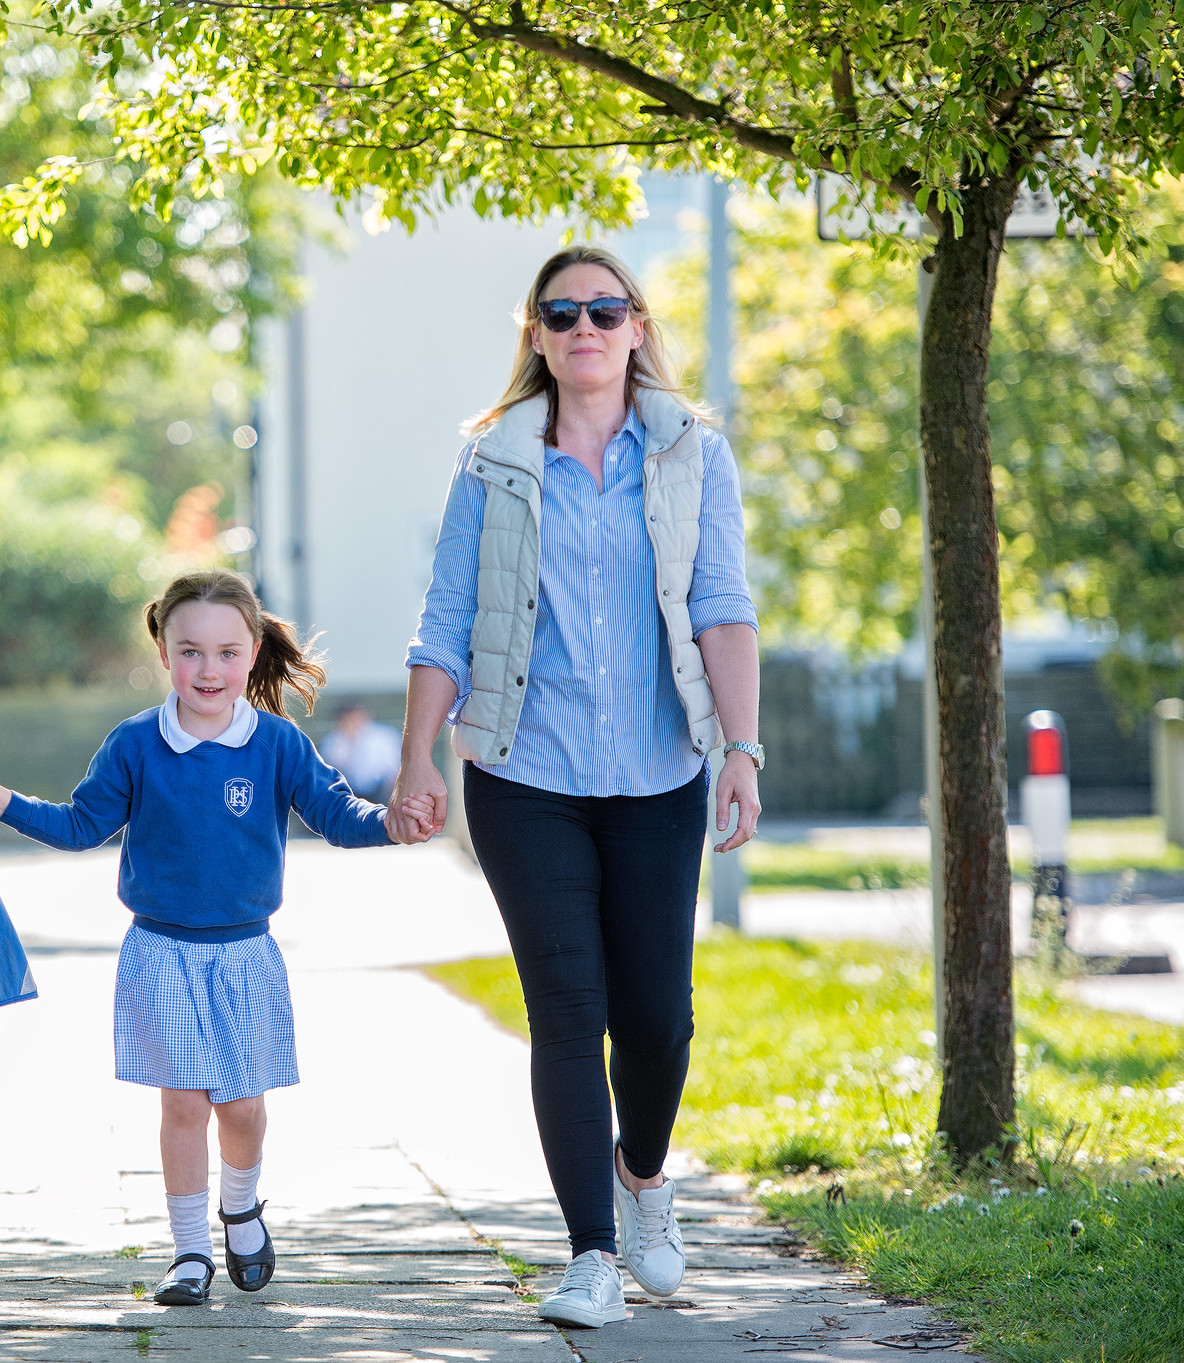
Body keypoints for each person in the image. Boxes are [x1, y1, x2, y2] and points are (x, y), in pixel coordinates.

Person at [390, 244, 762, 1329]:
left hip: (656, 771)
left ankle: (641, 1173)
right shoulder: (492, 460)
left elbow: (721, 603)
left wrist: (739, 750)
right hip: (522, 769)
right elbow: (445, 617)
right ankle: (588, 1252)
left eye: (605, 310)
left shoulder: (691, 451)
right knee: (567, 1014)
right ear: (537, 335)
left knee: (656, 1022)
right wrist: (417, 757)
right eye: (562, 314)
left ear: (637, 327)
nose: (584, 327)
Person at [0, 570, 433, 1307]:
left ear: (250, 654)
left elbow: (337, 814)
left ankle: (240, 1205)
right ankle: (188, 1250)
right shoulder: (136, 744)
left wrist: (391, 823)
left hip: (246, 955)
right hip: (161, 952)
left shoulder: (275, 743)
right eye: (189, 651)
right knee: (182, 1104)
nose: (207, 670)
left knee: (240, 1107)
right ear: (163, 650)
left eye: (225, 652)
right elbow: (80, 824)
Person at [319, 703, 403, 801]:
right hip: (349, 792)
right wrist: (351, 743)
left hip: (381, 791)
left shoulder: (385, 735)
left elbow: (394, 768)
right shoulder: (334, 740)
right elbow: (335, 770)